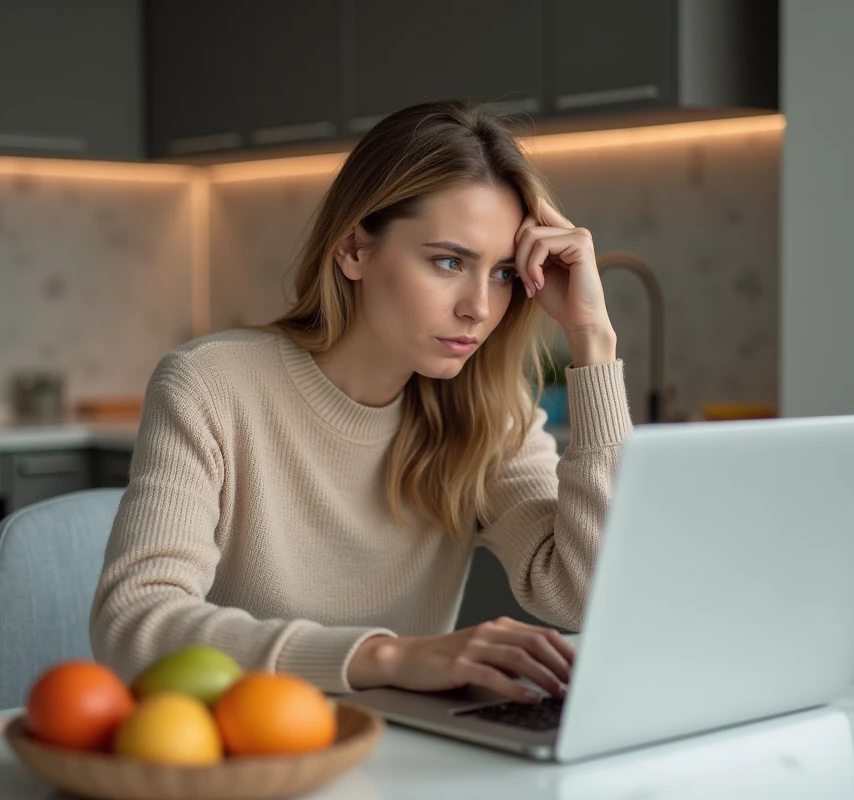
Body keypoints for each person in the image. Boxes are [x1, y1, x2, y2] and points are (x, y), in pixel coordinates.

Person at [89, 99, 632, 706]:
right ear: (353, 249)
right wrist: (389, 656)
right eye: (449, 261)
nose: (479, 307)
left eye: (504, 273)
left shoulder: (488, 413)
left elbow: (582, 596)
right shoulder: (210, 386)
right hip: (239, 754)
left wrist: (594, 342)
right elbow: (132, 624)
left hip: (403, 755)